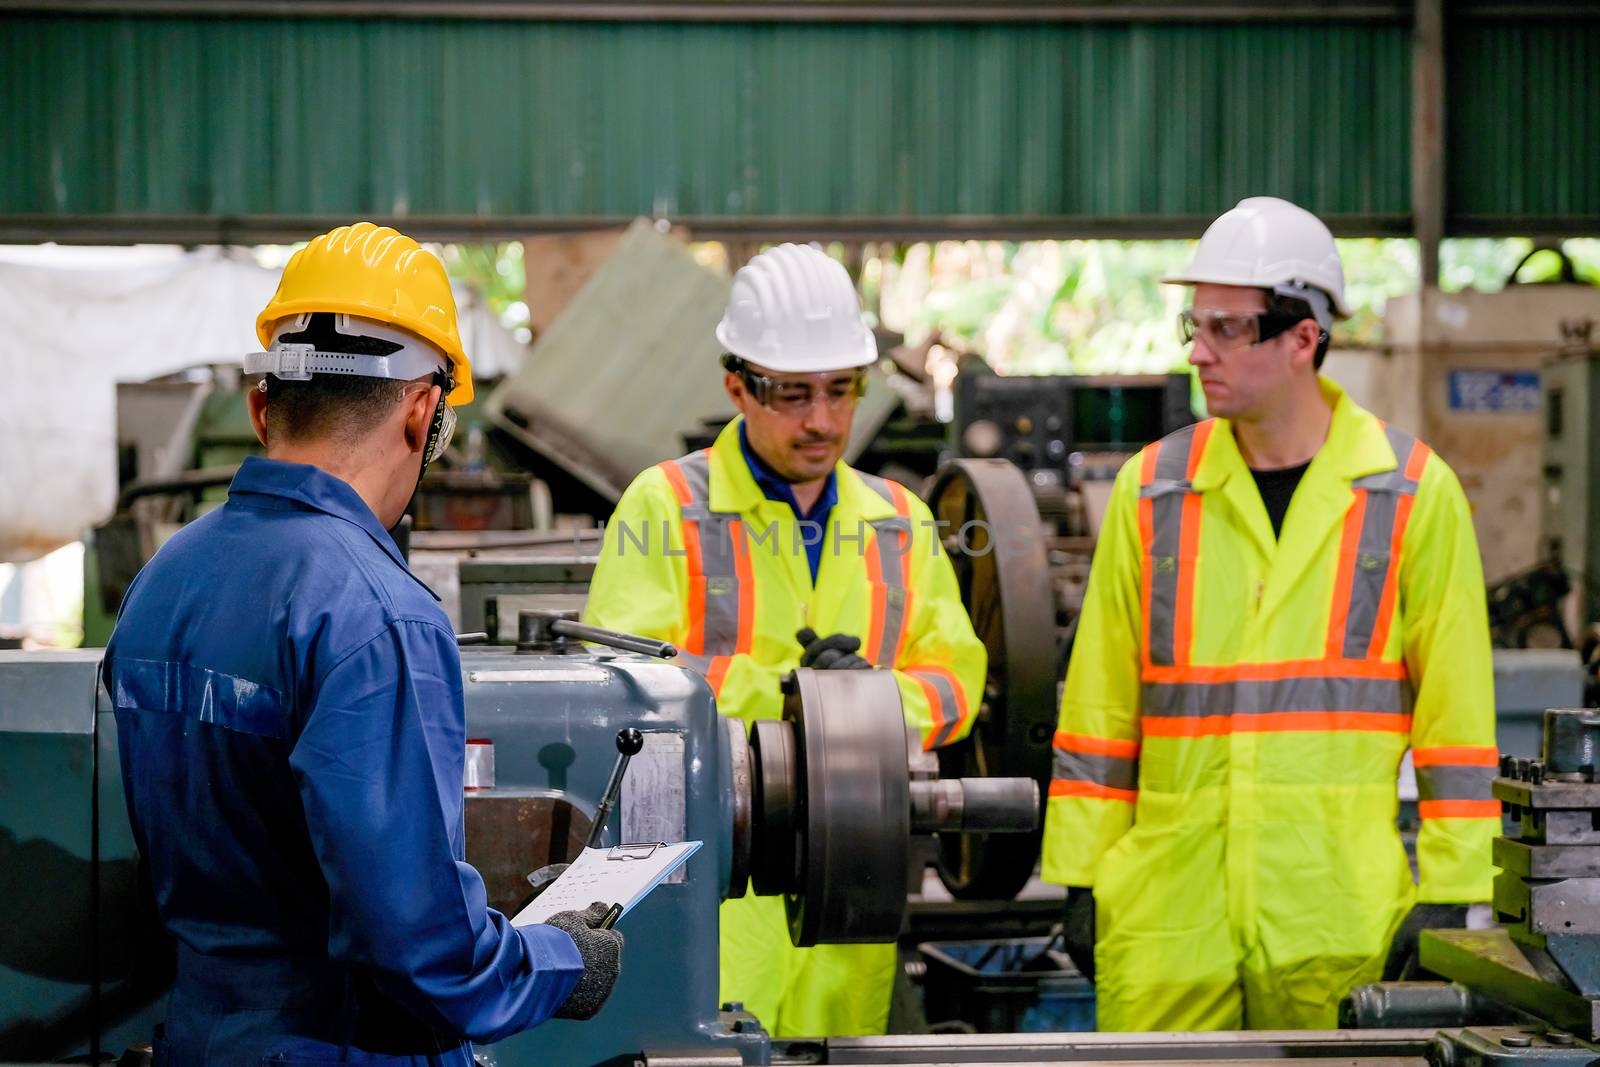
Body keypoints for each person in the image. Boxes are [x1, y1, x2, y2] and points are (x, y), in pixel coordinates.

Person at [104, 222, 622, 1065]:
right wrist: (563, 959)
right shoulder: (380, 616)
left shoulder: (164, 580)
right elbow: (426, 954)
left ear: (261, 404)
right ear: (424, 412)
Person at [1041, 197, 1498, 1031]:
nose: (1199, 352)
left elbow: (1456, 725)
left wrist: (1455, 892)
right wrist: (1080, 874)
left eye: (1227, 328)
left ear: (1303, 337)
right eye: (1195, 324)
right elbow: (1098, 710)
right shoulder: (1151, 490)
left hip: (1334, 913)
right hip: (1168, 916)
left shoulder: (1409, 493)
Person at [583, 243, 986, 1037]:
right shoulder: (665, 507)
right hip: (711, 887)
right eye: (794, 394)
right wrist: (803, 699)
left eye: (842, 391)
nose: (824, 420)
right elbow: (624, 685)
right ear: (737, 383)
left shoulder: (900, 520)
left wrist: (866, 700)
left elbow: (956, 681)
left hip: (854, 889)